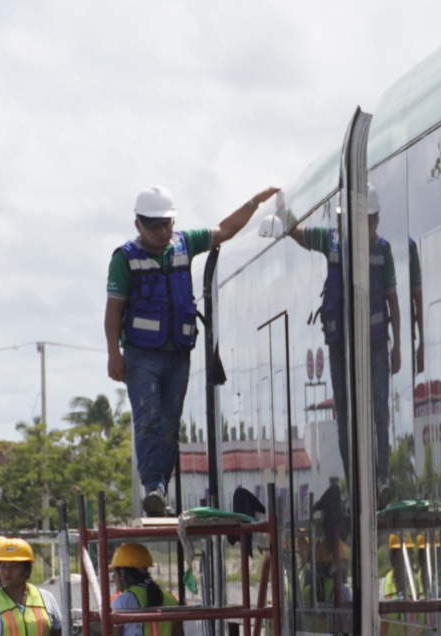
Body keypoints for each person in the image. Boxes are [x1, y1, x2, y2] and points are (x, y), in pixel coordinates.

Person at [106, 184, 281, 517]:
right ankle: (152, 486)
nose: (161, 231)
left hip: (178, 353)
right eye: (153, 225)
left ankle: (159, 491)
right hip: (141, 356)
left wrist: (253, 202)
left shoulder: (183, 244)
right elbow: (113, 310)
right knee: (148, 420)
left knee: (171, 424)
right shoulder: (124, 258)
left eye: (167, 224)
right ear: (138, 225)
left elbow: (225, 230)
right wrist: (113, 353)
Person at [289, 184, 400, 499]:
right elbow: (299, 235)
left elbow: (393, 298)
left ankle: (382, 479)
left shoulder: (383, 250)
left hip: (377, 343)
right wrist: (286, 213)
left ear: (376, 221)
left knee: (379, 410)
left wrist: (400, 347)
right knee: (345, 417)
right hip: (340, 346)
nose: (365, 227)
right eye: (358, 220)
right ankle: (356, 483)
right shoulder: (331, 241)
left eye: (369, 221)